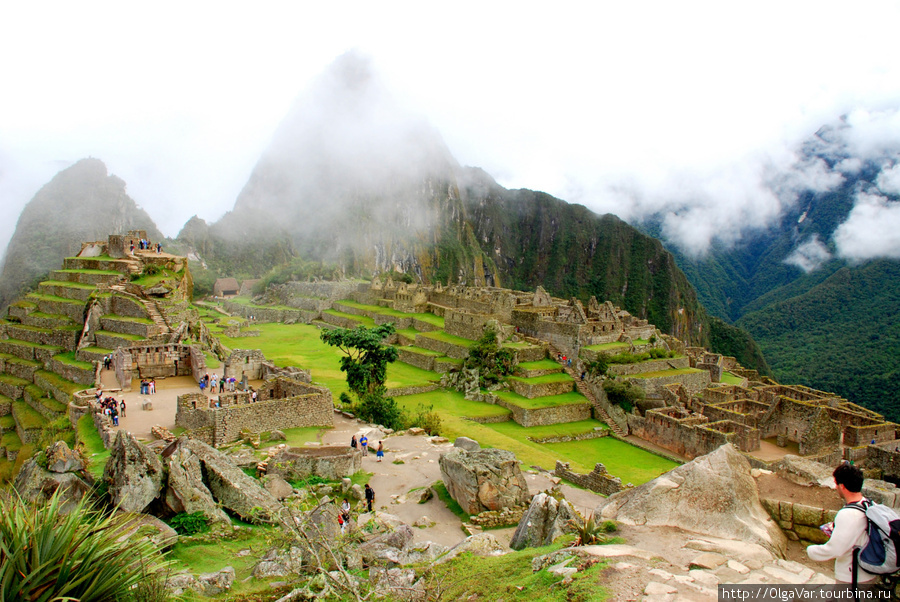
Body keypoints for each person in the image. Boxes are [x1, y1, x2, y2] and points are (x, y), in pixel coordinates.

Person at [807, 462, 876, 584]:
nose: (835, 488)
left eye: (836, 484)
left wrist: (811, 551)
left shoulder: (848, 514)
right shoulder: (869, 504)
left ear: (842, 486)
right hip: (867, 571)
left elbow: (835, 549)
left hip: (852, 577)